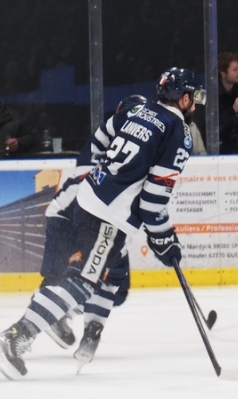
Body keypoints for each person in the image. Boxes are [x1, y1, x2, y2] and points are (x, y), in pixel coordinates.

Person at [0, 68, 205, 379]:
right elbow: (153, 200)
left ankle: (84, 329)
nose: (196, 106)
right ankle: (16, 336)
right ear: (184, 98)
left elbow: (105, 137)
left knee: (100, 272)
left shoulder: (139, 110)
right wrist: (164, 237)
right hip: (108, 215)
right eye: (195, 98)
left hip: (88, 198)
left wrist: (159, 235)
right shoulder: (179, 133)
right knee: (83, 281)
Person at [38, 94, 148, 350]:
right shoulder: (101, 143)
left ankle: (72, 317)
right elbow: (89, 191)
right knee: (64, 278)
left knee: (116, 285)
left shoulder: (136, 145)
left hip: (102, 221)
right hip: (71, 218)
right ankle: (36, 324)